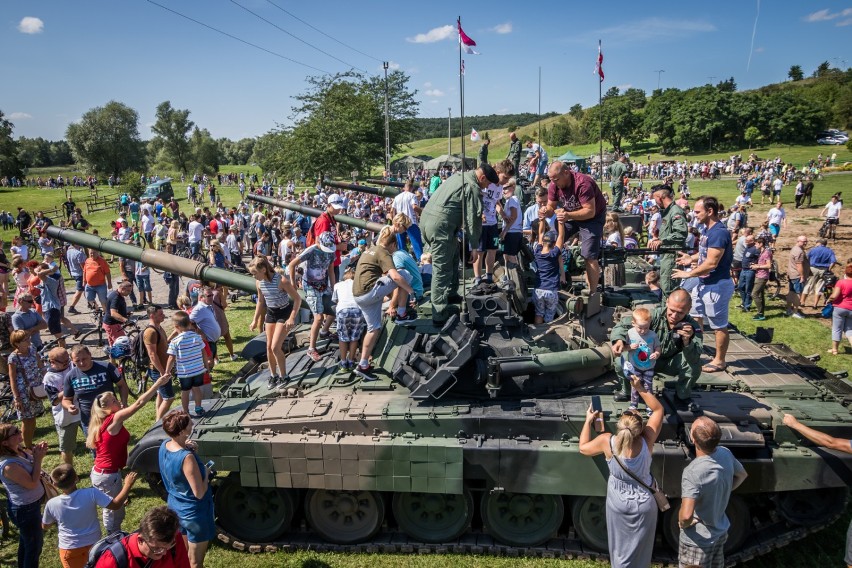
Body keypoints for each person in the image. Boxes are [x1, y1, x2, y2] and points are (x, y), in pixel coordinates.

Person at [579, 375, 664, 568]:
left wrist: (587, 421)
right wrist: (639, 388)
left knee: (619, 552)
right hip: (644, 505)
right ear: (640, 429)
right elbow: (659, 409)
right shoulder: (647, 440)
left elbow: (583, 448)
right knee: (642, 554)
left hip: (618, 504)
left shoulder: (607, 441)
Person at [86, 374, 168, 533]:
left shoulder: (103, 421)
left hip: (107, 473)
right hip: (107, 476)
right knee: (112, 509)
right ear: (106, 408)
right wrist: (158, 383)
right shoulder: (114, 419)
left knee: (117, 509)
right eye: (114, 401)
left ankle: (115, 533)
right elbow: (139, 403)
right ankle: (112, 536)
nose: (119, 402)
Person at [420, 164, 500, 325]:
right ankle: (439, 311)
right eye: (488, 184)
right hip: (441, 228)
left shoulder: (458, 177)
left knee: (454, 254)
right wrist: (475, 247)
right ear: (482, 178)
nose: (487, 187)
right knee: (442, 269)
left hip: (429, 222)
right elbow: (473, 220)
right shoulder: (473, 187)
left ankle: (451, 293)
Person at [611, 289, 704, 409]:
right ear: (667, 303)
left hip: (670, 362)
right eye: (672, 311)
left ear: (689, 309)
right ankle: (627, 391)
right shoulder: (654, 316)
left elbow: (695, 356)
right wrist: (619, 340)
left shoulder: (693, 326)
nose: (674, 316)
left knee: (694, 366)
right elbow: (623, 325)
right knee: (621, 361)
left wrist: (687, 341)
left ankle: (682, 395)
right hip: (646, 358)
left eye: (680, 313)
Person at [672, 196, 734, 374]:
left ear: (710, 211)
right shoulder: (707, 229)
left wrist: (689, 273)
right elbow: (705, 252)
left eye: (698, 211)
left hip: (716, 285)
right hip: (703, 283)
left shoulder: (719, 232)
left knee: (717, 325)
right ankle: (695, 351)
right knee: (695, 317)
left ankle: (719, 360)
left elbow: (712, 262)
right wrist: (690, 258)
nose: (694, 214)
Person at [678, 417, 748, 568]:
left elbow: (686, 516)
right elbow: (742, 475)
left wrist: (683, 523)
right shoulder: (725, 453)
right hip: (719, 533)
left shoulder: (693, 471)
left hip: (697, 541)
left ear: (693, 439)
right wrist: (721, 491)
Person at [42, 464, 137, 568]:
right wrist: (128, 484)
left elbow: (45, 526)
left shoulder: (51, 504)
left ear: (55, 485)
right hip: (94, 544)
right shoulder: (91, 493)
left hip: (69, 549)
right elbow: (116, 505)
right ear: (77, 478)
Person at [352, 226, 415, 380]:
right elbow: (395, 276)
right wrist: (411, 292)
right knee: (404, 275)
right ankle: (401, 314)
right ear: (392, 245)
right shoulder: (383, 252)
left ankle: (363, 364)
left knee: (373, 329)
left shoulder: (369, 250)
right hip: (369, 292)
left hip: (359, 296)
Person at [159, 410, 215, 568]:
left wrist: (186, 446)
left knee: (183, 556)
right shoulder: (187, 458)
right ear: (182, 431)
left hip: (175, 507)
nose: (193, 423)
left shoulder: (164, 446)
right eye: (190, 422)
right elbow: (199, 493)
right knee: (196, 563)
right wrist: (206, 473)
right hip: (194, 513)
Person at [545, 160, 608, 292]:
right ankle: (554, 281)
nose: (554, 183)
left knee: (589, 255)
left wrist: (568, 215)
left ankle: (592, 292)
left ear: (566, 173)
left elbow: (589, 211)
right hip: (570, 214)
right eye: (551, 179)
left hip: (592, 218)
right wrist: (546, 211)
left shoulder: (583, 184)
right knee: (551, 241)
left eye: (556, 179)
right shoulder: (554, 184)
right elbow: (551, 207)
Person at [248, 255, 301, 388]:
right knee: (268, 347)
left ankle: (284, 376)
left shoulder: (281, 281)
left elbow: (297, 299)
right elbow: (260, 301)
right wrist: (255, 320)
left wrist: (292, 318)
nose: (253, 276)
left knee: (275, 347)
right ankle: (273, 376)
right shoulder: (259, 282)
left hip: (284, 312)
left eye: (255, 273)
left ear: (263, 270)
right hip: (271, 313)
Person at [0, 424, 47, 568]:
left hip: (30, 507)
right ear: (5, 442)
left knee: (27, 543)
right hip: (25, 511)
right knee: (33, 548)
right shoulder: (8, 466)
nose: (20, 432)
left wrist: (36, 452)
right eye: (15, 432)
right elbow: (32, 483)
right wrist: (38, 459)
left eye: (18, 429)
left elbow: (31, 465)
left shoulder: (18, 450)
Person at [288, 231, 336, 362]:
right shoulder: (311, 250)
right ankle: (311, 348)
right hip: (310, 286)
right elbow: (292, 265)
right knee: (319, 318)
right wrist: (293, 284)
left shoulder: (331, 252)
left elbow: (331, 270)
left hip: (324, 285)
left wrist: (334, 288)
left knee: (336, 308)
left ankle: (324, 331)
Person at [92, 505, 190, 568]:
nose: (164, 553)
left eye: (168, 547)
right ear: (141, 540)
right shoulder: (112, 561)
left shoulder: (173, 539)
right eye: (157, 549)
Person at [63, 345, 129, 435]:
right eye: (77, 361)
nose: (82, 363)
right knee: (96, 448)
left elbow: (122, 385)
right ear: (72, 361)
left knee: (117, 446)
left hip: (111, 418)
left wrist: (124, 401)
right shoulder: (71, 376)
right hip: (89, 422)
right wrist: (69, 407)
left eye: (84, 359)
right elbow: (66, 399)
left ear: (90, 355)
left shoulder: (106, 367)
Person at [165, 311, 211, 418]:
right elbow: (204, 352)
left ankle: (186, 411)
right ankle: (198, 407)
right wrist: (206, 366)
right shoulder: (197, 337)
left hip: (185, 372)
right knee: (197, 389)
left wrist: (167, 371)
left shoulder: (175, 341)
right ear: (190, 323)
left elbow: (171, 357)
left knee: (185, 391)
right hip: (198, 370)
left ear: (176, 327)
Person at [648, 184, 688, 299]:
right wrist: (657, 238)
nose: (655, 202)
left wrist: (662, 241)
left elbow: (681, 233)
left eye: (655, 198)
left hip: (673, 256)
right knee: (665, 288)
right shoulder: (667, 212)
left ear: (660, 197)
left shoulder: (675, 211)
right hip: (667, 255)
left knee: (669, 290)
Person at [8, 329, 45, 449]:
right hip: (23, 392)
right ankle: (27, 446)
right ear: (17, 343)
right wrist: (17, 398)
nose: (29, 340)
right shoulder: (13, 358)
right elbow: (12, 379)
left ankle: (29, 443)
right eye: (25, 339)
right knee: (26, 420)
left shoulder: (32, 349)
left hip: (35, 390)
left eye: (28, 338)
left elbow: (40, 364)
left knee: (33, 418)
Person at [43, 347, 80, 466]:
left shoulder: (72, 366)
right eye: (63, 362)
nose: (67, 364)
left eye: (68, 360)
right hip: (65, 417)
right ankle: (69, 473)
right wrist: (69, 388)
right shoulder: (49, 378)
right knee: (67, 448)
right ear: (52, 362)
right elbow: (54, 400)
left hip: (82, 411)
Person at [621, 307, 661, 412]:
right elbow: (623, 348)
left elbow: (658, 347)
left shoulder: (653, 335)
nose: (643, 331)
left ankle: (649, 405)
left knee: (648, 387)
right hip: (634, 366)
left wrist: (657, 353)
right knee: (635, 387)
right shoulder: (629, 333)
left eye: (646, 328)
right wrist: (629, 347)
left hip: (649, 366)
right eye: (640, 328)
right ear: (633, 323)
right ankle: (633, 405)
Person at [332, 266, 366, 371]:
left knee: (343, 338)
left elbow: (335, 300)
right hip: (357, 310)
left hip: (343, 310)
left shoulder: (338, 285)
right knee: (354, 337)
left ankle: (343, 363)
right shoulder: (358, 284)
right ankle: (351, 362)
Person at [143, 305, 174, 420]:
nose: (163, 316)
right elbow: (152, 354)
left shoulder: (159, 328)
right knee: (169, 398)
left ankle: (158, 418)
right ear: (152, 315)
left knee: (161, 395)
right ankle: (159, 423)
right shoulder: (151, 332)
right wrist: (163, 372)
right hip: (158, 370)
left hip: (164, 368)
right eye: (160, 314)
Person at [472, 180, 502, 286]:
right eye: (505, 178)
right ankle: (478, 278)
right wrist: (479, 214)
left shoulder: (500, 187)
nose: (505, 181)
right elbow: (474, 199)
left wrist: (501, 212)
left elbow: (496, 202)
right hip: (481, 225)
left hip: (493, 223)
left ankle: (489, 276)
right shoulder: (488, 184)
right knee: (480, 252)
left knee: (493, 250)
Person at [804, 238, 839, 308]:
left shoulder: (813, 249)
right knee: (819, 287)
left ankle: (802, 302)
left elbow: (806, 258)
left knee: (808, 285)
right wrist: (829, 268)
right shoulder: (829, 251)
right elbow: (833, 261)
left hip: (812, 269)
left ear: (819, 243)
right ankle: (815, 304)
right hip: (824, 270)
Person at [497, 183, 524, 268]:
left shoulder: (512, 199)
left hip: (512, 232)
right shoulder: (510, 200)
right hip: (512, 232)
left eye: (505, 188)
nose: (503, 191)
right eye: (502, 189)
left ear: (512, 188)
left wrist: (504, 232)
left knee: (511, 258)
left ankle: (514, 277)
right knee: (507, 255)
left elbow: (514, 216)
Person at [828, 262, 852, 355]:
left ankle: (834, 350)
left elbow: (834, 296)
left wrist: (829, 299)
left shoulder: (841, 282)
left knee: (837, 329)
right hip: (851, 309)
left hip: (840, 308)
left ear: (846, 272)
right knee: (850, 330)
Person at [786, 235, 810, 319]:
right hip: (797, 276)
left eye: (806, 241)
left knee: (791, 292)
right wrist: (802, 276)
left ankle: (788, 309)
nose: (805, 243)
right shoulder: (799, 251)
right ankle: (795, 311)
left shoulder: (794, 249)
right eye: (804, 241)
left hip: (792, 274)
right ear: (798, 241)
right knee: (798, 294)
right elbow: (799, 265)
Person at [736, 234, 759, 312]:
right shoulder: (747, 248)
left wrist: (756, 264)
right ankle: (744, 303)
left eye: (747, 241)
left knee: (748, 289)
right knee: (740, 287)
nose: (745, 242)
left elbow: (760, 258)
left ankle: (747, 306)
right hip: (743, 270)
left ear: (752, 241)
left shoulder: (756, 249)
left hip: (750, 271)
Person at [65, 242, 87, 314]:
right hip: (80, 274)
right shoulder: (79, 253)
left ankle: (91, 303)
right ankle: (72, 307)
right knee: (79, 290)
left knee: (86, 289)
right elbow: (83, 267)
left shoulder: (68, 251)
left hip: (73, 272)